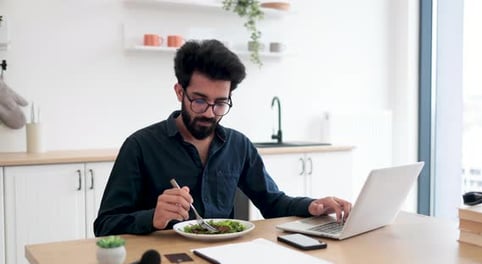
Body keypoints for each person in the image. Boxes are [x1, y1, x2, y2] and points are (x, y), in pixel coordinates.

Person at [93, 39, 351, 236]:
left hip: (225, 258)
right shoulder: (140, 146)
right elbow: (104, 225)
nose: (209, 113)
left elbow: (272, 202)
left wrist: (313, 206)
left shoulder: (238, 145)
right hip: (164, 262)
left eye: (220, 103)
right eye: (199, 101)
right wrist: (153, 218)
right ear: (179, 92)